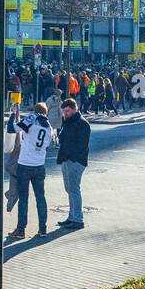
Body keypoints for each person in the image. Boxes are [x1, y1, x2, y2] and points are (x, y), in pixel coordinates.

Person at [6, 102, 53, 240]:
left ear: (35, 111)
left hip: (25, 164)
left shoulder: (31, 120)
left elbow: (11, 129)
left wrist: (13, 114)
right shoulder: (49, 127)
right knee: (40, 198)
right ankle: (43, 229)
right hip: (39, 165)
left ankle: (21, 230)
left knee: (24, 199)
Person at [56, 97, 91, 230]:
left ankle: (78, 219)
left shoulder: (82, 123)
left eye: (67, 111)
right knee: (69, 189)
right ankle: (72, 217)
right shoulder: (68, 121)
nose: (65, 114)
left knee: (74, 189)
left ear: (75, 109)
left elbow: (82, 145)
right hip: (67, 159)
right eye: (64, 111)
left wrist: (72, 158)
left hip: (75, 161)